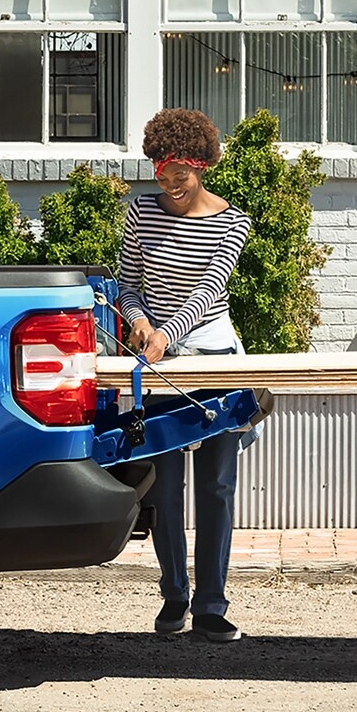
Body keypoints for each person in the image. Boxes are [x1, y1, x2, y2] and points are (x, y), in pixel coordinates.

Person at [118, 108, 252, 643]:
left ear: (202, 167)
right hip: (159, 365)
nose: (171, 186)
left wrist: (166, 333)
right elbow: (128, 284)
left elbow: (209, 291)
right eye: (162, 175)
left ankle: (212, 604)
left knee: (217, 484)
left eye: (181, 176)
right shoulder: (141, 212)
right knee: (165, 487)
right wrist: (138, 321)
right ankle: (174, 594)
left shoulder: (232, 221)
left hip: (213, 357)